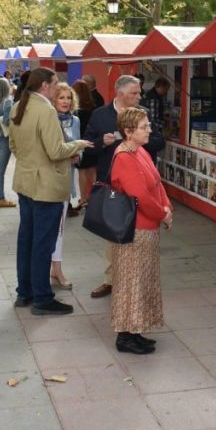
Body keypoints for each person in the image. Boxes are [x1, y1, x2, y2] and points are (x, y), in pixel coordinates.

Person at [9, 68, 91, 315]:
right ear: (45, 86)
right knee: (43, 243)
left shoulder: (18, 107)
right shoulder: (45, 111)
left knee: (27, 239)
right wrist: (78, 144)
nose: (58, 88)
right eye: (55, 84)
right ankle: (42, 298)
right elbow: (56, 151)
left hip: (25, 182)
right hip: (46, 186)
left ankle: (25, 292)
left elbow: (13, 144)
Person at [85, 75, 165, 299]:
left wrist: (140, 140)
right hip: (112, 186)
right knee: (114, 233)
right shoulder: (100, 115)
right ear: (119, 93)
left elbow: (160, 141)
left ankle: (132, 280)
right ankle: (111, 280)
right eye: (134, 93)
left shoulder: (143, 116)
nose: (139, 96)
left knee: (137, 234)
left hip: (140, 185)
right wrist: (103, 142)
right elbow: (88, 147)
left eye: (139, 92)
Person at [108, 107, 173, 354]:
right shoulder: (125, 157)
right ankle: (125, 336)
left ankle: (136, 330)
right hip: (134, 231)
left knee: (141, 281)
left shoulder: (140, 151)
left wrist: (167, 206)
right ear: (128, 131)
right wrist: (162, 213)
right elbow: (140, 196)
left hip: (147, 229)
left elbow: (156, 182)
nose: (149, 130)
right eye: (144, 127)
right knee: (131, 282)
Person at [50, 82, 81, 289]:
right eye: (61, 98)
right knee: (48, 229)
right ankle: (47, 268)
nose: (66, 102)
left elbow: (79, 147)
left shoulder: (76, 120)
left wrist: (76, 153)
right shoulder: (48, 119)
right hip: (48, 181)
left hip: (66, 180)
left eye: (68, 98)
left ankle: (57, 269)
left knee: (60, 229)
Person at [0, 78, 17, 208]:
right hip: (4, 139)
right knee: (1, 170)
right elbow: (7, 121)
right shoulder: (7, 101)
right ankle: (0, 198)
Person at [71, 80, 99, 208]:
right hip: (92, 142)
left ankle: (83, 199)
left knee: (81, 172)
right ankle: (97, 198)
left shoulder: (75, 112)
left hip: (80, 143)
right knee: (93, 171)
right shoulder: (93, 108)